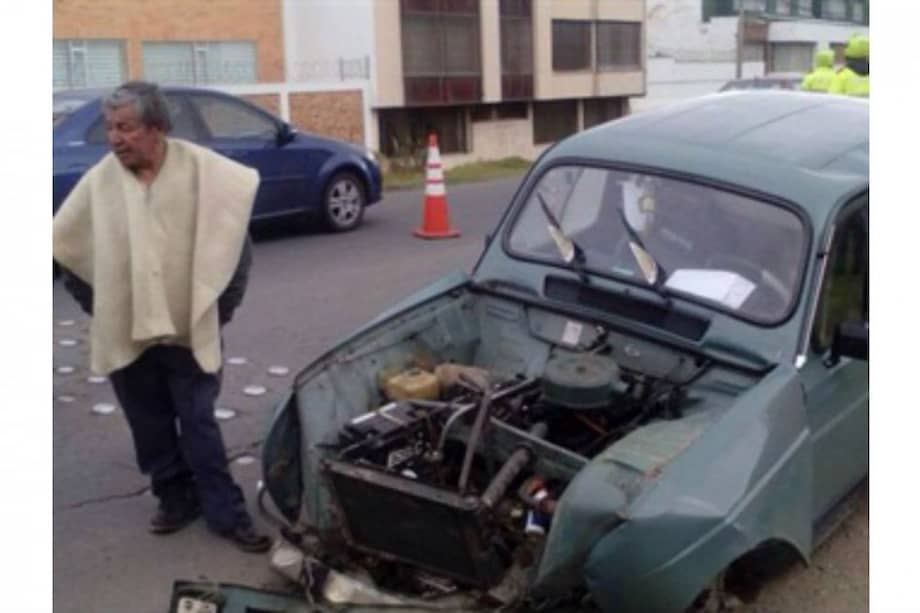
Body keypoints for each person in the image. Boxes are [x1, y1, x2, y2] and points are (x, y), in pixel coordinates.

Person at [53, 81, 271, 553]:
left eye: (126, 128)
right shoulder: (100, 181)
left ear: (156, 129)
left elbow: (236, 245)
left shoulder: (202, 172)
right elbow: (66, 248)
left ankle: (225, 512)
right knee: (148, 423)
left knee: (198, 422)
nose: (115, 138)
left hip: (188, 329)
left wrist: (219, 308)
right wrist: (103, 307)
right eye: (110, 128)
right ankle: (174, 499)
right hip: (127, 330)